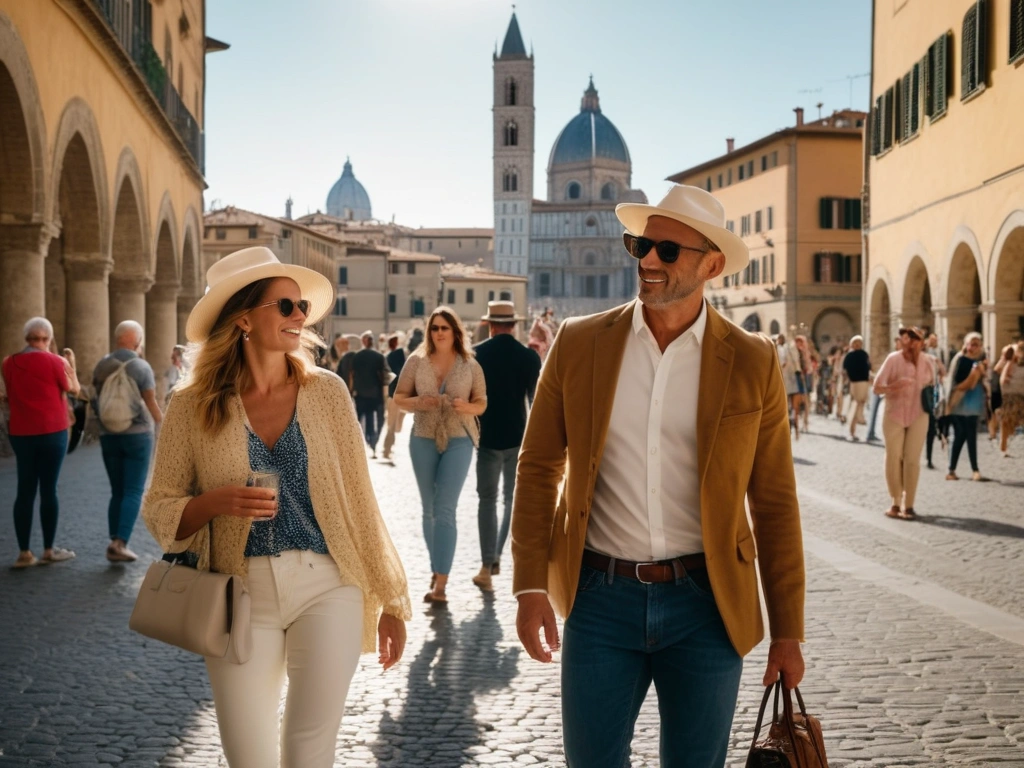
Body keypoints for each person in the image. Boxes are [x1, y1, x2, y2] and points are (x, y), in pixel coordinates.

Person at [512, 185, 805, 768]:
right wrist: (529, 586)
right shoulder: (577, 343)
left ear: (711, 264)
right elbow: (539, 466)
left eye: (668, 251)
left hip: (707, 605)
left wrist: (788, 629)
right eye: (640, 245)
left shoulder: (753, 359)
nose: (647, 260)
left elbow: (773, 501)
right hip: (599, 598)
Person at [141, 246, 409, 767]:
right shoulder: (192, 405)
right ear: (243, 318)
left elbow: (360, 501)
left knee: (310, 752)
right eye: (285, 306)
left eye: (302, 307)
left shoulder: (327, 392)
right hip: (239, 594)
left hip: (329, 585)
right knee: (249, 757)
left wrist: (391, 599)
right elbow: (159, 506)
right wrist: (215, 502)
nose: (299, 316)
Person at [393, 306, 487, 604]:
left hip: (459, 437)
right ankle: (437, 568)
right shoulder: (416, 361)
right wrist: (420, 401)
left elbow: (482, 401)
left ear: (455, 331)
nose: (439, 333)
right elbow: (398, 398)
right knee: (429, 509)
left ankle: (441, 584)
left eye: (445, 328)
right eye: (435, 328)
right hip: (423, 436)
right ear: (429, 332)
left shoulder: (470, 364)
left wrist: (467, 408)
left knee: (445, 509)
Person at [471, 301, 541, 592]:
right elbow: (534, 401)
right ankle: (498, 555)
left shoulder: (475, 355)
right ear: (514, 325)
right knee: (511, 501)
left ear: (490, 324)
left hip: (486, 438)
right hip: (517, 438)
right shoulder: (529, 357)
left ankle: (487, 565)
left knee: (487, 502)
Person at [1, 317, 80, 568]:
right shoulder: (57, 361)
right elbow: (74, 389)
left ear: (27, 338)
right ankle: (48, 550)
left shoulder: (8, 363)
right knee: (49, 489)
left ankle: (24, 553)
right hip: (52, 432)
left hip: (21, 433)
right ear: (48, 338)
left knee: (25, 489)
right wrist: (72, 366)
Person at [93, 320, 163, 562]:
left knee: (117, 491)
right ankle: (119, 543)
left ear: (117, 339)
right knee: (133, 489)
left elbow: (97, 400)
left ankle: (114, 538)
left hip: (108, 434)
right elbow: (151, 403)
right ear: (137, 342)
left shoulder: (102, 365)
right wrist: (163, 428)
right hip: (137, 435)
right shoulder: (141, 367)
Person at [872, 326, 934, 520]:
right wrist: (893, 387)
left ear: (922, 342)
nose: (912, 343)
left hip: (919, 414)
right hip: (894, 414)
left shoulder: (928, 362)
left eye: (916, 340)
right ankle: (895, 502)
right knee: (893, 456)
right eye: (909, 339)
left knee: (912, 460)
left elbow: (935, 387)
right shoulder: (893, 359)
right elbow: (876, 388)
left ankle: (909, 505)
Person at [945, 332, 988, 481]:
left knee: (971, 436)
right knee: (960, 435)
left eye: (976, 344)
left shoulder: (982, 360)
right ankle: (952, 469)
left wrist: (981, 372)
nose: (973, 347)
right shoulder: (960, 359)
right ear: (966, 344)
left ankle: (974, 470)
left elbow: (984, 380)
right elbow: (954, 380)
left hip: (974, 401)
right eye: (971, 343)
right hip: (959, 401)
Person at [350, 330, 391, 459]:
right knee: (374, 419)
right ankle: (373, 442)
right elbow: (387, 376)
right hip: (375, 393)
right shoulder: (379, 356)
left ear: (363, 341)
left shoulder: (357, 356)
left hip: (360, 393)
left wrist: (351, 391)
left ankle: (362, 444)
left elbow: (352, 374)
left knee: (359, 419)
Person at [381, 333, 407, 461]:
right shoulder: (398, 355)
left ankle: (389, 446)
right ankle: (387, 448)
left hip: (391, 394)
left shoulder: (387, 356)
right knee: (392, 424)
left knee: (393, 423)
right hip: (396, 394)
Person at [842, 336, 871, 441]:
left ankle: (857, 422)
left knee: (861, 402)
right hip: (855, 382)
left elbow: (868, 366)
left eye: (859, 342)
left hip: (864, 381)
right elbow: (845, 370)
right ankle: (852, 430)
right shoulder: (849, 355)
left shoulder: (864, 354)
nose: (857, 344)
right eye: (855, 343)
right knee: (857, 403)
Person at [998, 342, 1024, 457]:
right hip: (1009, 396)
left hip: (1021, 396)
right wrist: (1009, 359)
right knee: (1006, 422)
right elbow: (1002, 379)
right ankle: (1003, 448)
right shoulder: (1010, 363)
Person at [776, 333, 802, 439]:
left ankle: (794, 428)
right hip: (784, 381)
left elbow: (795, 362)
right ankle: (789, 428)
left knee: (793, 406)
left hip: (790, 380)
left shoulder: (788, 349)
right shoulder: (778, 349)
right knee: (786, 406)